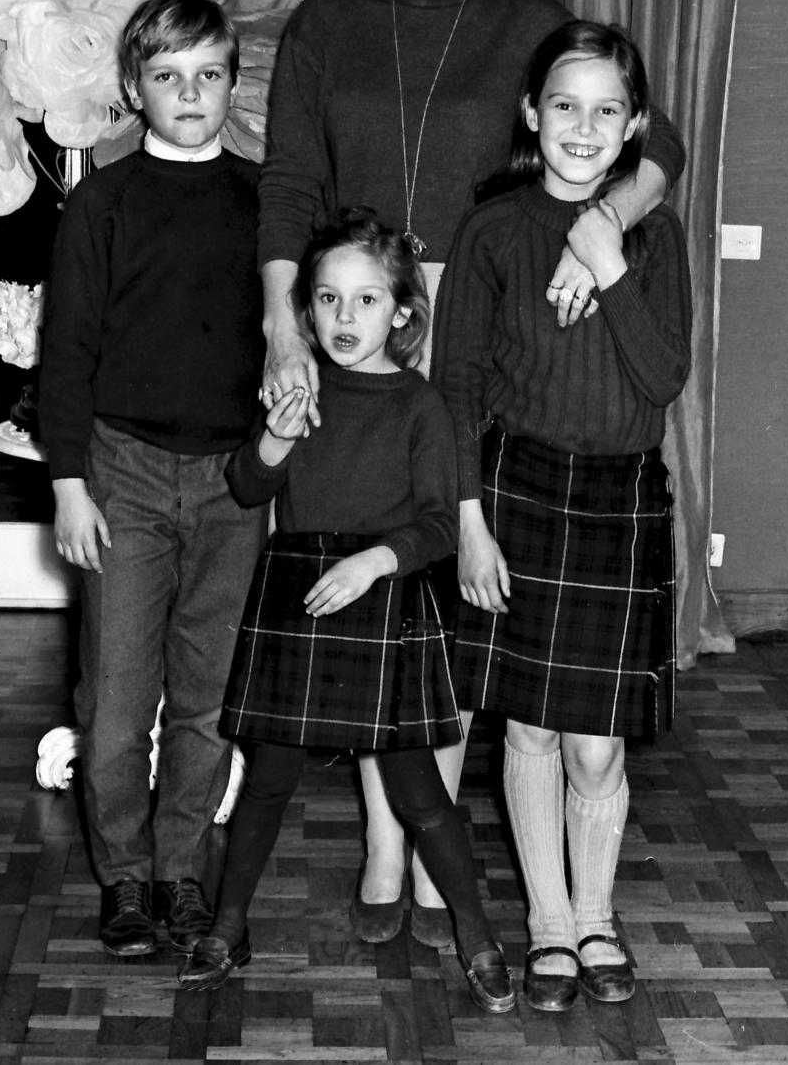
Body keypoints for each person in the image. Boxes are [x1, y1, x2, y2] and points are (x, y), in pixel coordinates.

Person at [257, 0, 687, 948]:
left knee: (443, 596)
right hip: (353, 328)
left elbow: (659, 146)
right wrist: (286, 325)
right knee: (372, 583)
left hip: (480, 325)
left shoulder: (532, 21)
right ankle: (388, 838)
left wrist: (602, 226)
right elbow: (290, 182)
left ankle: (432, 818)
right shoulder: (326, 26)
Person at [177, 208, 515, 1014]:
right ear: (307, 310)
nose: (343, 319)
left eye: (366, 301)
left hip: (381, 599)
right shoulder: (298, 389)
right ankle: (228, 927)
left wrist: (373, 561)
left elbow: (438, 523)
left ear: (402, 311)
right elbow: (247, 488)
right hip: (299, 596)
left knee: (422, 796)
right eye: (327, 300)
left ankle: (477, 934)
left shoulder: (420, 406)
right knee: (266, 785)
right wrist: (276, 440)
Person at [431, 20, 692, 1011]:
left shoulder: (655, 235)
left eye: (608, 110)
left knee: (598, 744)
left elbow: (663, 374)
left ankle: (598, 917)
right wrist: (467, 519)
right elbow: (455, 389)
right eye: (565, 105)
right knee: (532, 732)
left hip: (621, 500)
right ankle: (549, 924)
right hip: (515, 492)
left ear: (634, 128)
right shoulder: (494, 229)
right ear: (533, 114)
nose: (584, 127)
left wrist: (608, 253)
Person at [38, 0, 267, 959]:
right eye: (167, 76)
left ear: (230, 82)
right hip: (123, 473)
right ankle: (124, 877)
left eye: (207, 74)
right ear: (134, 86)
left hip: (232, 483)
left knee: (209, 696)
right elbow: (68, 351)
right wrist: (68, 482)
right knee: (119, 700)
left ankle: (181, 872)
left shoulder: (263, 200)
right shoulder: (102, 200)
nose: (189, 93)